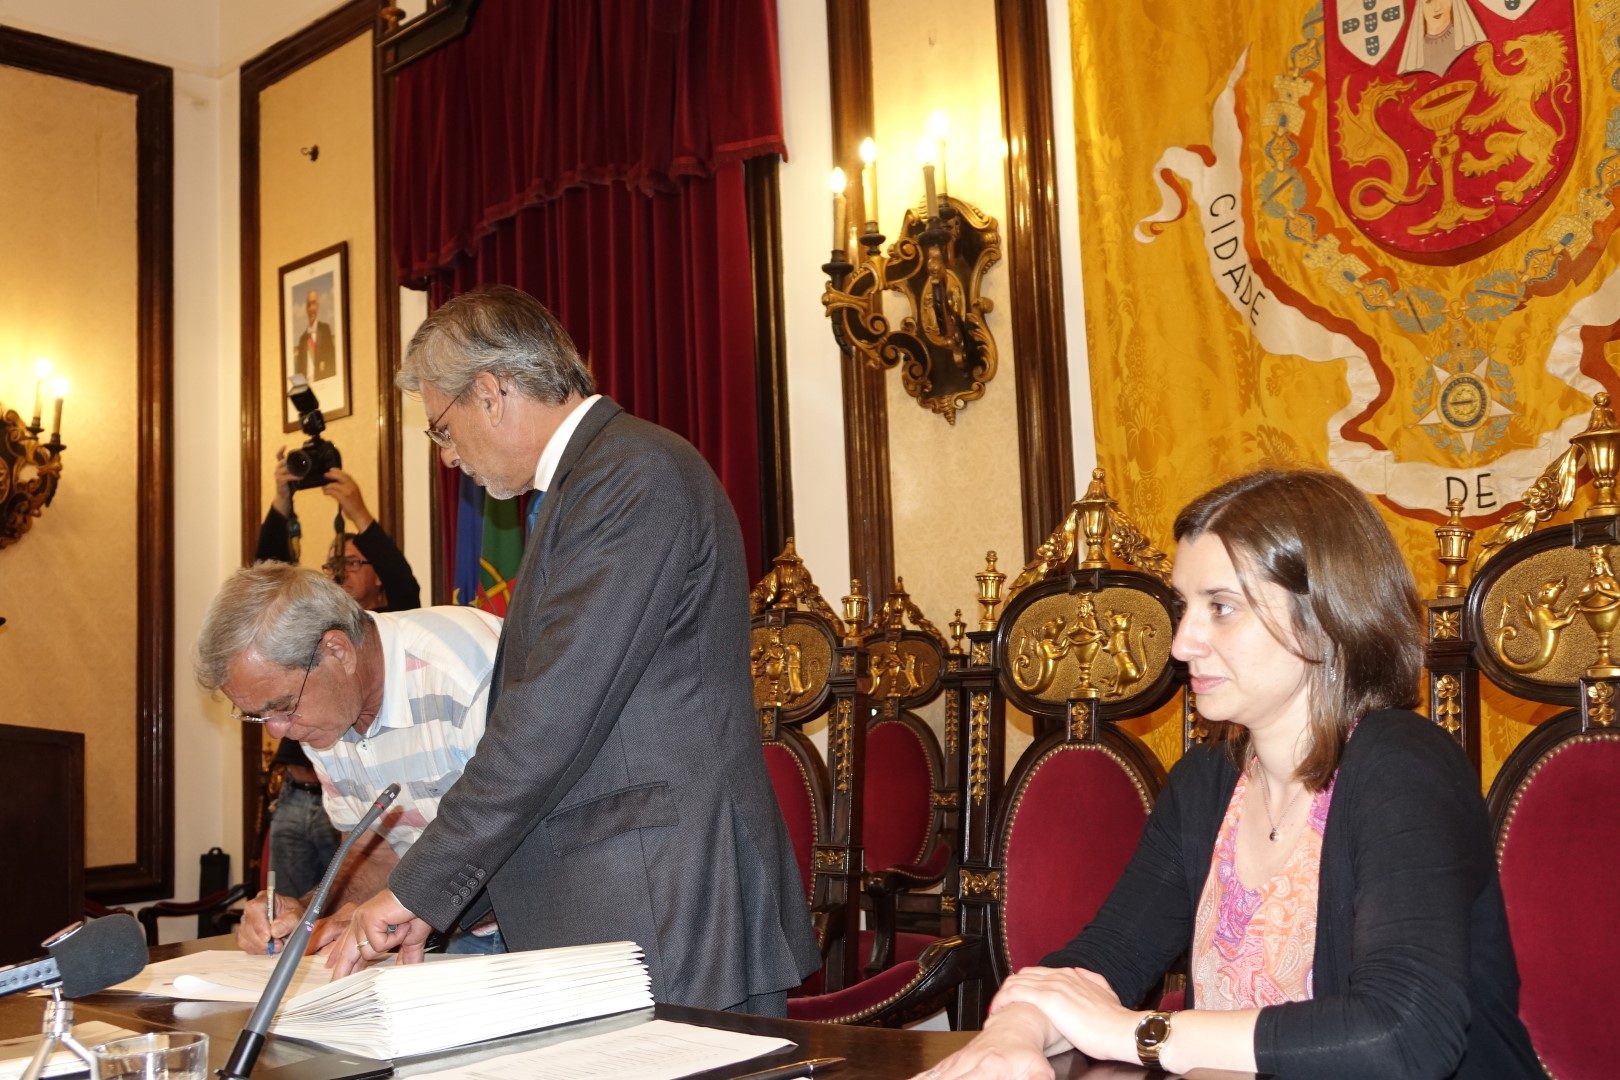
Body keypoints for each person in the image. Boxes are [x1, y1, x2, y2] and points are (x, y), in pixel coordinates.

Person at [920, 469, 1539, 1079]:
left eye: (1221, 608)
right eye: (1183, 606)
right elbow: (1105, 960)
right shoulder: (1205, 783)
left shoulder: (1404, 768)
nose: (1181, 643)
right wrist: (1012, 1036)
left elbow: (1406, 1032)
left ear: (1325, 617)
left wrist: (1139, 1033)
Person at [335, 283, 818, 1015]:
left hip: (666, 903)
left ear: (489, 393)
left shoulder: (629, 475)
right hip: (634, 900)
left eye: (441, 429)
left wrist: (420, 887)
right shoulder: (594, 481)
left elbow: (553, 715)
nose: (448, 457)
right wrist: (448, 901)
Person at [193, 563, 504, 959]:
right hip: (454, 928)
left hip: (547, 918)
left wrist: (409, 906)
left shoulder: (465, 672)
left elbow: (529, 836)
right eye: (259, 716)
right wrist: (307, 912)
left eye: (283, 707)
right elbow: (375, 851)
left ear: (337, 652)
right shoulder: (325, 712)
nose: (276, 731)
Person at [255, 451, 422, 899]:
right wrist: (282, 502)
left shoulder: (388, 630)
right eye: (336, 564)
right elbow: (265, 587)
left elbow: (405, 585)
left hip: (353, 808)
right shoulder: (314, 629)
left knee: (351, 905)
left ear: (378, 579)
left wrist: (359, 513)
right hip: (295, 797)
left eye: (354, 563)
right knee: (291, 915)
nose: (341, 572)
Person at [294, 290, 337, 382]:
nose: (311, 308)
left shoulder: (325, 330)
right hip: (307, 389)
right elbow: (298, 374)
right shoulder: (302, 340)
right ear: (306, 309)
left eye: (313, 303)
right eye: (309, 305)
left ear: (317, 306)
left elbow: (332, 361)